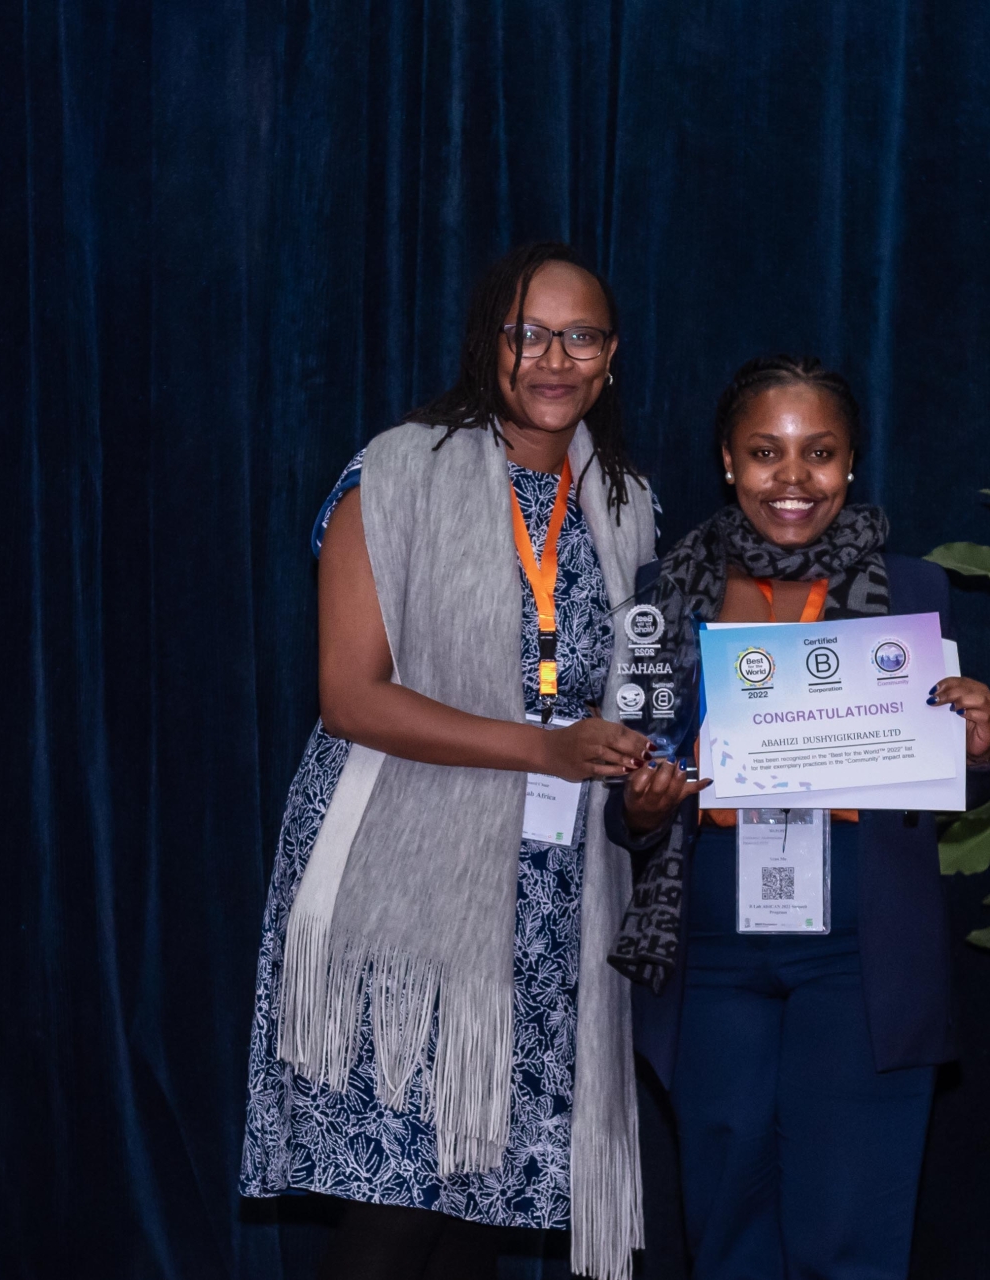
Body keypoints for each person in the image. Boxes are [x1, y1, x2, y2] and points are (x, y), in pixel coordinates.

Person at [240, 242, 687, 1280]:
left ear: (610, 356)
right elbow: (351, 695)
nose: (551, 358)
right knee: (396, 1209)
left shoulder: (626, 503)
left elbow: (635, 697)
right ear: (489, 344)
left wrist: (653, 779)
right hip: (401, 891)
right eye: (526, 332)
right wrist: (545, 744)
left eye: (578, 335)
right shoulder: (397, 467)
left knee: (482, 1211)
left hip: (547, 899)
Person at [605, 355, 990, 1280]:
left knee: (848, 1239)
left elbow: (950, 777)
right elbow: (627, 792)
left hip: (856, 948)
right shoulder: (662, 596)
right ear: (727, 462)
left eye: (818, 453)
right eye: (765, 453)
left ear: (852, 462)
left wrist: (978, 741)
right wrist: (644, 799)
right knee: (729, 1234)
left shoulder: (914, 590)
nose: (793, 479)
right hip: (709, 946)